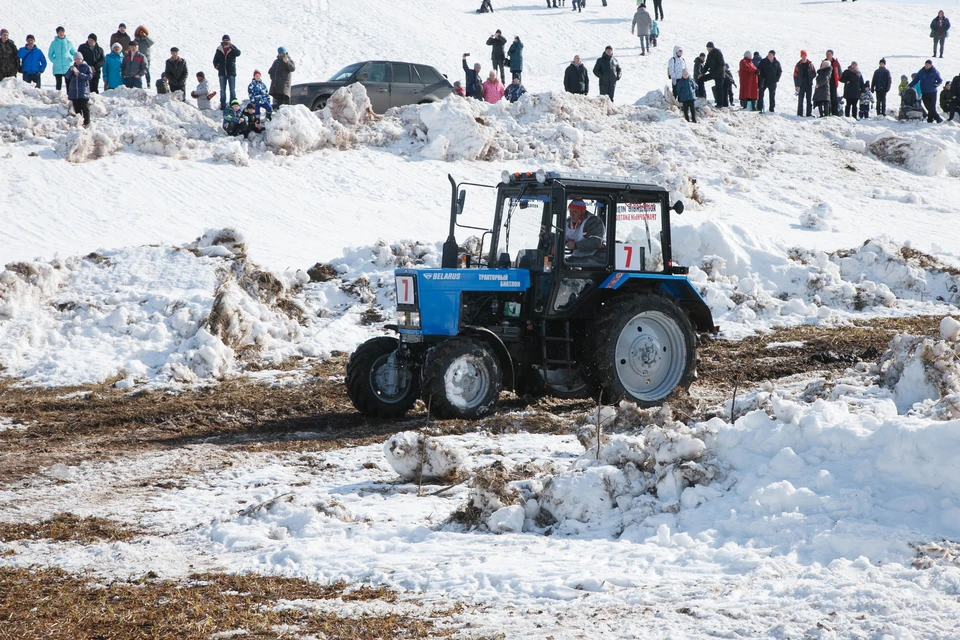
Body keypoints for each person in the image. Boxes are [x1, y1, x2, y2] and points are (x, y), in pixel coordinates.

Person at [564, 199, 605, 264]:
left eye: (575, 212)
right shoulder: (567, 222)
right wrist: (550, 237)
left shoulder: (593, 222)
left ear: (583, 212)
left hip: (595, 257)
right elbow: (560, 236)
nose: (571, 215)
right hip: (578, 257)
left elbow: (595, 242)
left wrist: (576, 245)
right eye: (570, 211)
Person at [64, 52, 92, 127]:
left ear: (82, 59)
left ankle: (87, 122)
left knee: (85, 107)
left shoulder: (86, 67)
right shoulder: (73, 67)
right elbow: (67, 76)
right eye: (76, 59)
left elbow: (90, 76)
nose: (77, 61)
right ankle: (79, 122)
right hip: (74, 91)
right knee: (77, 108)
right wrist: (70, 70)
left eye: (79, 59)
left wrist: (80, 74)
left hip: (83, 91)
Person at [213, 35, 241, 111]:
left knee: (232, 90)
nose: (225, 42)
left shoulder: (232, 49)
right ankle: (223, 105)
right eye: (224, 40)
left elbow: (238, 53)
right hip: (222, 73)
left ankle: (233, 105)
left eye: (227, 40)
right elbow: (215, 61)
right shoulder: (219, 49)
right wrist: (218, 68)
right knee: (222, 90)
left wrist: (231, 46)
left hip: (231, 72)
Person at [48, 26, 76, 91]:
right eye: (59, 32)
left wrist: (70, 58)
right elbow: (50, 54)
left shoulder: (69, 42)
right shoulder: (54, 43)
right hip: (57, 67)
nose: (61, 33)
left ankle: (69, 97)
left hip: (67, 66)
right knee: (58, 84)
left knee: (68, 83)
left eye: (62, 32)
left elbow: (74, 53)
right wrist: (54, 60)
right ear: (57, 33)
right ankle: (58, 97)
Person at [700, 42, 726, 107]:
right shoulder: (709, 55)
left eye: (709, 48)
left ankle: (720, 104)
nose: (708, 49)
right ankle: (701, 96)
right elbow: (707, 65)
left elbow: (722, 64)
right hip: (713, 73)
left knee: (719, 88)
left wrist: (716, 72)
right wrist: (702, 73)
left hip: (719, 74)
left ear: (712, 47)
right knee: (701, 79)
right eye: (707, 48)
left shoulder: (718, 53)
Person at [794, 50, 815, 117]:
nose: (804, 57)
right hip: (801, 84)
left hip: (808, 84)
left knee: (809, 100)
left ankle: (809, 113)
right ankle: (799, 113)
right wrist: (796, 85)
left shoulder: (810, 64)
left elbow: (814, 73)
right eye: (802, 56)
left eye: (805, 56)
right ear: (801, 56)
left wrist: (810, 78)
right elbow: (795, 75)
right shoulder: (798, 65)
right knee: (800, 99)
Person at [823, 50, 841, 115]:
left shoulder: (835, 62)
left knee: (834, 98)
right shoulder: (824, 62)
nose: (827, 55)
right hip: (825, 82)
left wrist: (838, 78)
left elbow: (839, 71)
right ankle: (827, 112)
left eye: (829, 54)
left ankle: (834, 113)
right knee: (827, 98)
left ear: (832, 55)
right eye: (827, 54)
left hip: (833, 81)